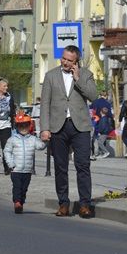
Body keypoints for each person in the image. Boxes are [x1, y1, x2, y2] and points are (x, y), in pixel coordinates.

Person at [40, 45, 98, 218]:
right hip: (59, 126)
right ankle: (63, 203)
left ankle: (85, 204)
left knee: (83, 166)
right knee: (60, 167)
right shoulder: (51, 75)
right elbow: (45, 104)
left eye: (69, 60)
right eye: (63, 58)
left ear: (76, 61)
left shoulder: (86, 74)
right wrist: (44, 128)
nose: (65, 62)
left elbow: (93, 96)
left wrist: (78, 78)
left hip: (80, 126)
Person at [4, 112, 46, 213]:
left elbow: (40, 146)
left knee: (24, 188)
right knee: (17, 187)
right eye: (21, 125)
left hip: (27, 170)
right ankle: (17, 202)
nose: (23, 127)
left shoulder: (33, 139)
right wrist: (10, 164)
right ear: (17, 126)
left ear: (29, 126)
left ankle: (21, 202)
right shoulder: (12, 139)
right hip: (16, 169)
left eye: (26, 125)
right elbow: (7, 151)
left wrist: (45, 141)